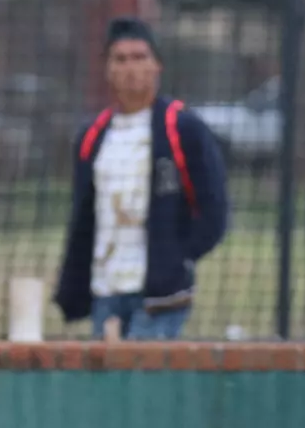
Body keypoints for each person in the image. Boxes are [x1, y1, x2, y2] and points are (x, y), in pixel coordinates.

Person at [54, 17, 228, 341]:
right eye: (120, 59)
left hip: (159, 295)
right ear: (107, 69)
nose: (130, 68)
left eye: (139, 57)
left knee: (142, 370)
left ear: (157, 65)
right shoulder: (92, 137)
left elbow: (214, 209)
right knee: (107, 373)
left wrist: (178, 258)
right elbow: (84, 218)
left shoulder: (183, 128)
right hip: (106, 290)